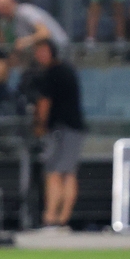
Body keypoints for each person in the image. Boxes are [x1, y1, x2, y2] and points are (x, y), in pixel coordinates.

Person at [32, 39, 86, 230]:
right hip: (73, 128)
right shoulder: (66, 70)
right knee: (67, 172)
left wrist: (40, 125)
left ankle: (52, 217)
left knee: (55, 172)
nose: (39, 56)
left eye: (42, 51)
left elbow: (44, 103)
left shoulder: (52, 73)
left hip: (62, 129)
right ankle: (62, 218)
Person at [0, 0, 69, 55]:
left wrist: (26, 41)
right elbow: (4, 45)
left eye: (4, 6)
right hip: (36, 55)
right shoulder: (4, 22)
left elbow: (45, 33)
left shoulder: (26, 11)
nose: (2, 11)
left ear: (13, 3)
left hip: (58, 49)